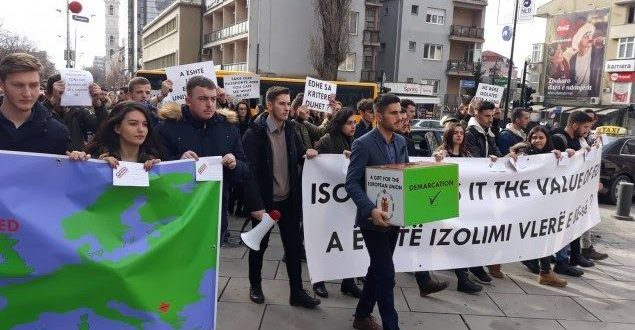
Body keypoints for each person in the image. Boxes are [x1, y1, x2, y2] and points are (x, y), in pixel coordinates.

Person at [242, 86, 321, 309]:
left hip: (288, 201)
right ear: (269, 105)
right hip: (265, 204)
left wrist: (308, 155)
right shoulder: (254, 134)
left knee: (294, 247)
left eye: (288, 104)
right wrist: (256, 206)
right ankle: (255, 286)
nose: (287, 108)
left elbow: (299, 156)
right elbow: (248, 174)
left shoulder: (291, 129)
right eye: (282, 103)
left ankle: (297, 292)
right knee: (259, 245)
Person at [157, 76, 248, 248]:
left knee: (209, 272)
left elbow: (244, 168)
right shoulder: (168, 127)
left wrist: (234, 164)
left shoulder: (228, 128)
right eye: (203, 99)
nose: (210, 104)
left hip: (215, 215)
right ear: (188, 100)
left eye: (213, 99)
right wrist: (178, 162)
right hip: (177, 216)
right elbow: (155, 167)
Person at [346, 93, 407, 330]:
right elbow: (351, 183)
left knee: (378, 269)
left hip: (394, 221)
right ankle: (392, 326)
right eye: (394, 112)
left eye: (400, 111)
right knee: (387, 275)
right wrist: (371, 210)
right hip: (372, 221)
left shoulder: (401, 142)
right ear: (379, 116)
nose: (400, 116)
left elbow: (405, 177)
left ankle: (362, 316)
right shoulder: (363, 143)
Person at [509, 126, 572, 287]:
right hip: (527, 206)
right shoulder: (525, 153)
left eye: (541, 137)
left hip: (544, 206)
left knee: (545, 236)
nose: (537, 140)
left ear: (547, 139)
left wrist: (566, 155)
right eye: (534, 138)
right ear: (529, 140)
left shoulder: (550, 154)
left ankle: (545, 271)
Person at [310, 108, 363, 299]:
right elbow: (317, 170)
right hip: (328, 203)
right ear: (340, 124)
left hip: (347, 202)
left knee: (348, 242)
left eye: (354, 123)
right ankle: (319, 281)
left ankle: (348, 282)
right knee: (325, 241)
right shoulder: (327, 140)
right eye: (349, 123)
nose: (353, 126)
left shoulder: (357, 143)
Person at [432, 122, 489, 294]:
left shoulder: (466, 154)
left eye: (461, 133)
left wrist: (491, 161)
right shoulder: (442, 153)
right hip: (446, 203)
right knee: (455, 239)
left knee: (460, 239)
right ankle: (463, 277)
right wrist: (437, 158)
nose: (459, 135)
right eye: (455, 132)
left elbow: (478, 170)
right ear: (449, 135)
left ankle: (466, 274)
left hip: (464, 204)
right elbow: (433, 164)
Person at [550, 111, 597, 276]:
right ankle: (561, 261)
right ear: (575, 125)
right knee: (562, 226)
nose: (587, 131)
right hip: (559, 193)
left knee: (570, 225)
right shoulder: (558, 138)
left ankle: (567, 258)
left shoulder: (576, 140)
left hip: (571, 192)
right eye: (585, 127)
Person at [464, 100, 504, 280]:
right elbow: (475, 160)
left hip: (485, 189)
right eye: (487, 116)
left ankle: (477, 264)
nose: (490, 119)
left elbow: (498, 155)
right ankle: (472, 266)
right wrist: (491, 160)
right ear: (477, 115)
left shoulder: (488, 133)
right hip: (472, 190)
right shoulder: (470, 133)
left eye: (492, 116)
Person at [0, 53, 69, 155]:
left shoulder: (57, 133)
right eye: (18, 85)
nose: (27, 94)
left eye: (33, 85)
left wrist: (77, 161)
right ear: (2, 85)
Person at [85, 101, 163, 170]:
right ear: (117, 128)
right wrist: (97, 168)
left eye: (145, 124)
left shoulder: (155, 159)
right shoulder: (97, 158)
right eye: (133, 124)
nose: (141, 129)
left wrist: (158, 174)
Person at [41, 73, 109, 151]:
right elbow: (35, 123)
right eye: (59, 95)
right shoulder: (41, 112)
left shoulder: (79, 112)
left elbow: (104, 129)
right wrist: (51, 102)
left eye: (67, 94)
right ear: (47, 94)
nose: (63, 100)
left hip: (75, 161)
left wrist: (98, 104)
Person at [229, 99, 252, 218]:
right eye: (240, 109)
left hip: (247, 156)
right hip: (236, 155)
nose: (242, 111)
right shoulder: (233, 123)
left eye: (244, 109)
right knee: (237, 184)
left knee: (244, 185)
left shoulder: (250, 123)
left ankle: (239, 208)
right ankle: (231, 204)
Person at [568, 23, 604, 97]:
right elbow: (572, 80)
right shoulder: (573, 59)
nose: (590, 38)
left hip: (592, 96)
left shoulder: (596, 52)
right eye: (586, 37)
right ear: (579, 40)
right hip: (577, 97)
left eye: (590, 36)